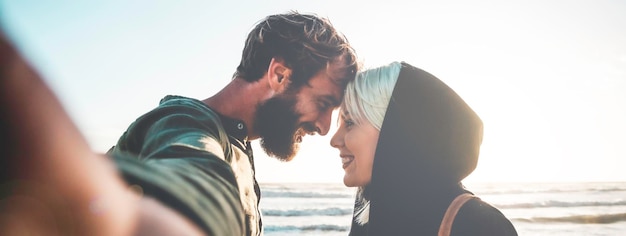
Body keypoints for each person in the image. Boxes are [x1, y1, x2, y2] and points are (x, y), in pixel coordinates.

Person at [1, 11, 358, 236]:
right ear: (279, 75)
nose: (324, 127)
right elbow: (196, 177)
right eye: (323, 103)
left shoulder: (238, 143)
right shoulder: (184, 122)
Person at [330, 61, 518, 235]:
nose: (334, 140)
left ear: (393, 128)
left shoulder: (479, 225)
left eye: (349, 122)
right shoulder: (369, 217)